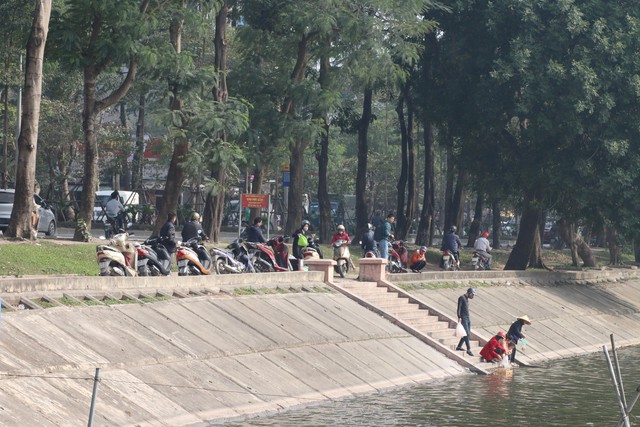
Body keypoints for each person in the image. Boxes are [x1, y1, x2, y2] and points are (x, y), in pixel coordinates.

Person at [456, 287, 477, 356]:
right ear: (469, 293)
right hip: (463, 318)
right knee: (466, 333)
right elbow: (459, 308)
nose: (473, 296)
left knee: (466, 333)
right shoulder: (462, 298)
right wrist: (459, 317)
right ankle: (468, 349)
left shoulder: (467, 299)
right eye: (472, 294)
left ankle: (459, 346)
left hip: (468, 318)